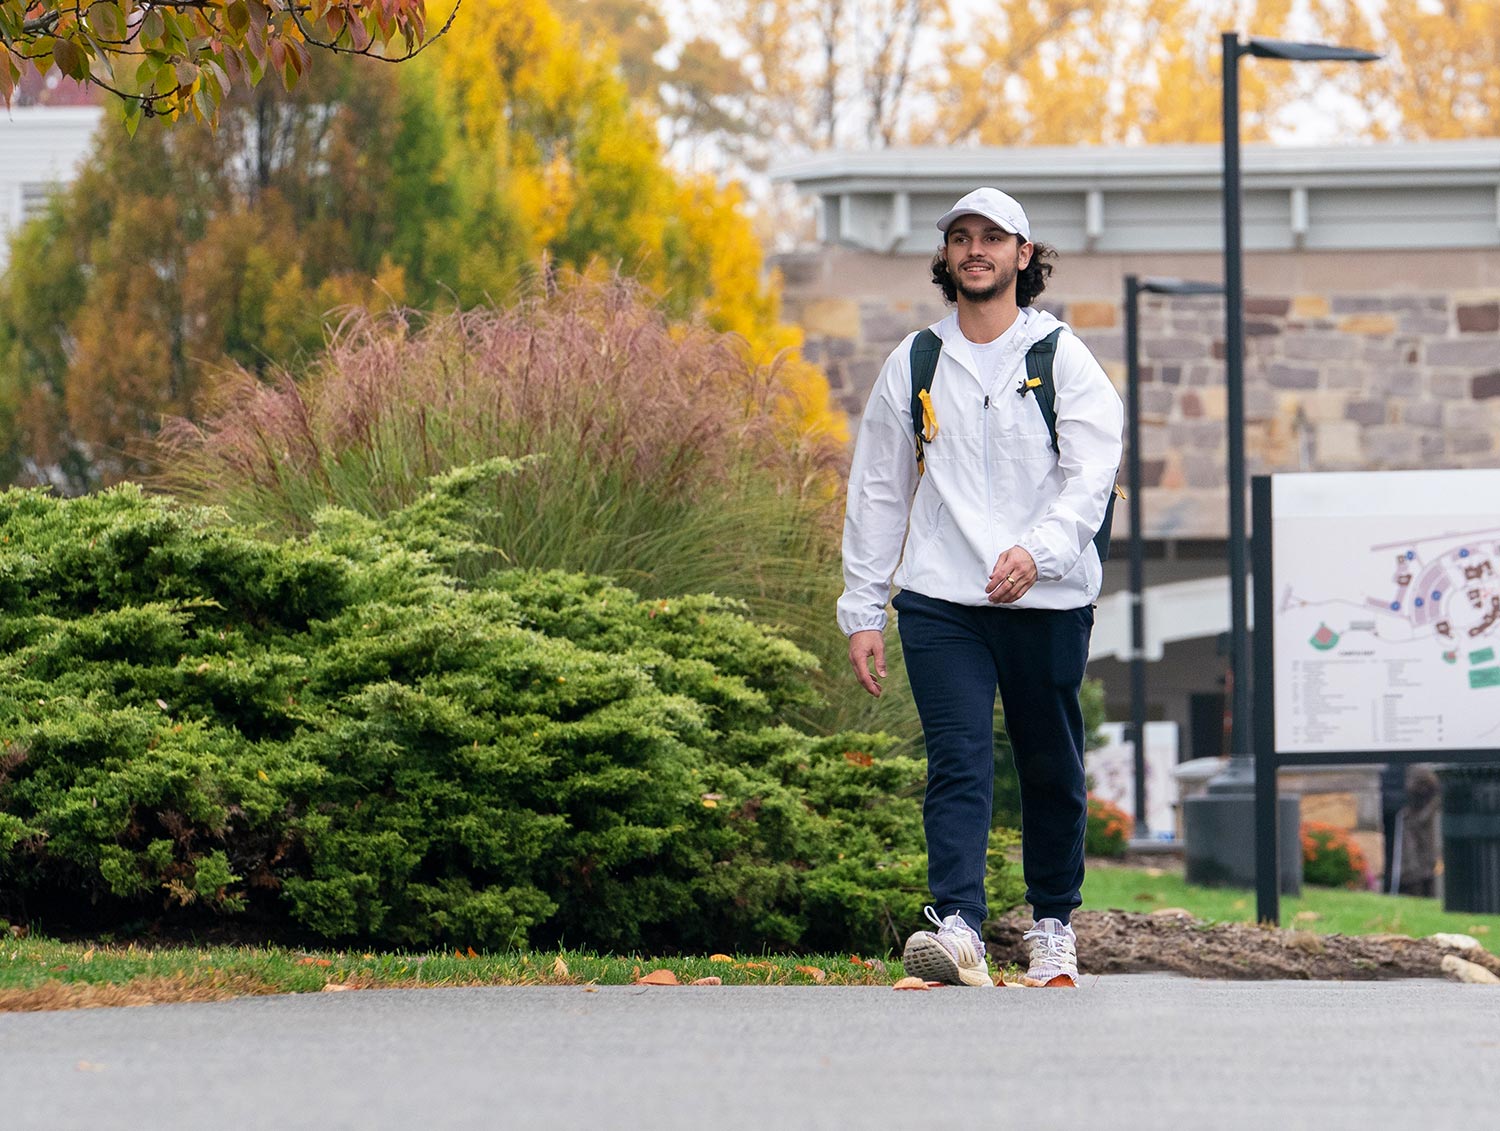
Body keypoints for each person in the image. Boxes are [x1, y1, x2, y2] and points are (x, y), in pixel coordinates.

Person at [837, 187, 1124, 988]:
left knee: (1049, 766)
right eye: (961, 237)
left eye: (992, 237)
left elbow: (1091, 474)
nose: (975, 249)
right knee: (958, 759)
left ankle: (1053, 926)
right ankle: (957, 925)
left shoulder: (1062, 357)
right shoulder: (916, 360)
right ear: (947, 258)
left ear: (1023, 256)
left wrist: (1039, 553)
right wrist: (863, 607)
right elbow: (879, 491)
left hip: (1049, 596)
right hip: (942, 599)